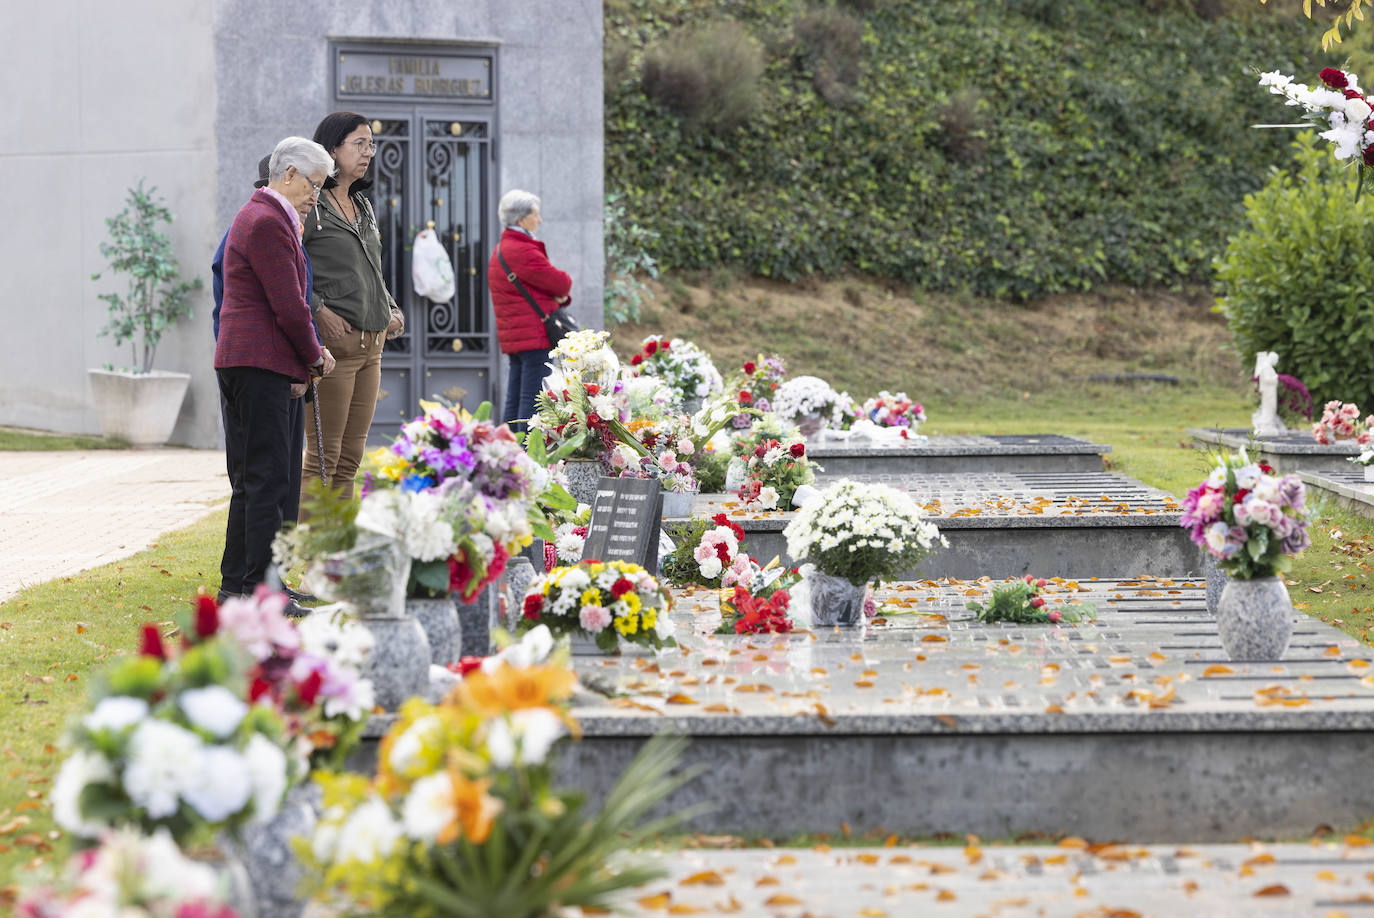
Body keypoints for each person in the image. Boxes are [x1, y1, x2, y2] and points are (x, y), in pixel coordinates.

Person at [215, 137, 337, 613]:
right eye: (314, 185)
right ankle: (262, 592)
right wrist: (315, 355)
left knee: (253, 481)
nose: (316, 196)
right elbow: (289, 305)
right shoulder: (268, 221)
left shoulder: (263, 216)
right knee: (266, 481)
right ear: (289, 174)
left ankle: (239, 588)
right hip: (258, 362)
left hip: (250, 362)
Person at [300, 112, 403, 505]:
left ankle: (339, 555)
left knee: (350, 461)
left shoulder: (362, 204)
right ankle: (312, 559)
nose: (368, 152)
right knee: (323, 461)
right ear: (331, 150)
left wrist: (391, 308)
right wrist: (318, 309)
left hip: (371, 348)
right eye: (359, 143)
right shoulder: (313, 204)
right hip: (334, 352)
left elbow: (372, 269)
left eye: (371, 144)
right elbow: (286, 266)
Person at [488, 189, 573, 433]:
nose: (540, 220)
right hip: (534, 336)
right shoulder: (522, 250)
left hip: (517, 337)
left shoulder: (503, 249)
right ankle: (526, 458)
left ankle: (509, 455)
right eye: (536, 214)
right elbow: (561, 282)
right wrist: (559, 293)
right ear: (522, 218)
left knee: (514, 399)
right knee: (532, 400)